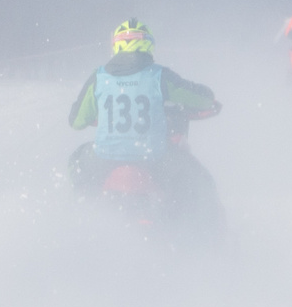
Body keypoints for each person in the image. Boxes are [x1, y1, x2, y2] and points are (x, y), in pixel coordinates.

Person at [66, 19, 221, 210]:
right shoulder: (160, 76)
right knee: (200, 180)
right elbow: (202, 99)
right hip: (154, 157)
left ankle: (83, 208)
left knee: (77, 162)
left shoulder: (98, 78)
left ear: (116, 45)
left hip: (105, 157)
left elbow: (76, 121)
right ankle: (211, 231)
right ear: (148, 44)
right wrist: (209, 97)